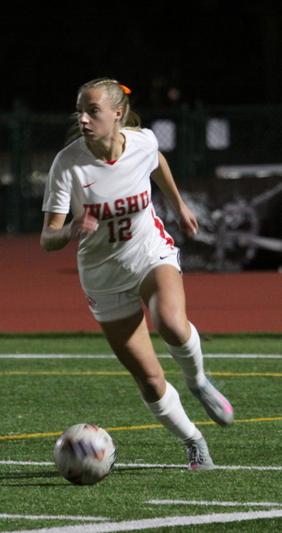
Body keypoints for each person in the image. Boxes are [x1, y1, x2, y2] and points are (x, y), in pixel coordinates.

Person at [40, 78, 233, 470]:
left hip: (149, 253)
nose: (83, 118)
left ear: (117, 113)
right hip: (103, 277)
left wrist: (178, 206)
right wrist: (72, 230)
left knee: (172, 325)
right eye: (80, 110)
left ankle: (198, 381)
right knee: (149, 379)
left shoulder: (142, 141)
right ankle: (194, 441)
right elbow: (47, 238)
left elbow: (157, 161)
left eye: (92, 110)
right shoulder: (68, 163)